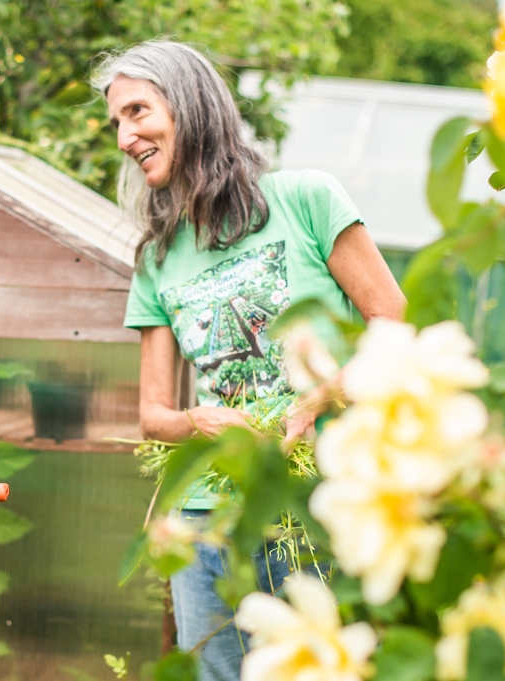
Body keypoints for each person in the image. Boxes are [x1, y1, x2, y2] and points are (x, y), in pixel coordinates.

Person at [92, 41, 406, 681]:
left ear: (188, 105)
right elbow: (153, 415)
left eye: (136, 111)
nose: (124, 136)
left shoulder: (307, 200)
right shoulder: (155, 259)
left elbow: (392, 320)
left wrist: (319, 400)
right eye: (115, 123)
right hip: (208, 521)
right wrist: (201, 423)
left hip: (317, 499)